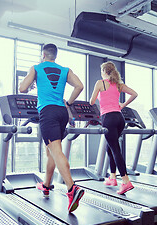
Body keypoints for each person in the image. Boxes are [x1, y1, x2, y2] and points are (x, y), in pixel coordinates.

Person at [19, 43, 85, 213]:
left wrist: (33, 82)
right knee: (51, 151)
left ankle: (72, 188)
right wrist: (68, 102)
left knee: (55, 151)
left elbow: (22, 88)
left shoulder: (36, 68)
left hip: (47, 111)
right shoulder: (65, 70)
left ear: (43, 55)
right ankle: (46, 185)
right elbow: (79, 86)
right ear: (55, 55)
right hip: (62, 111)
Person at [90, 61, 137, 194]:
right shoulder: (118, 85)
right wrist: (123, 105)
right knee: (110, 147)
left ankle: (126, 181)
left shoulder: (100, 83)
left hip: (108, 118)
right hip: (119, 118)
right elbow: (134, 94)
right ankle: (112, 177)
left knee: (115, 149)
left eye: (101, 71)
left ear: (104, 71)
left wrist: (96, 98)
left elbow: (92, 101)